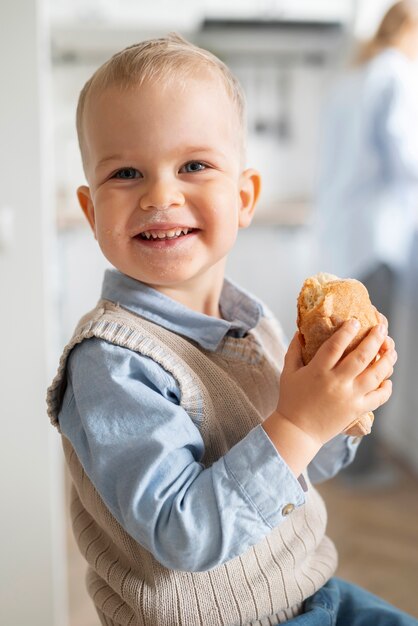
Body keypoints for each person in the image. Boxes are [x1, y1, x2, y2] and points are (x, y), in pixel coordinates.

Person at [46, 33, 413, 626]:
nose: (160, 194)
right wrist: (297, 422)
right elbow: (182, 533)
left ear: (244, 197)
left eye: (193, 165)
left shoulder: (254, 324)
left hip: (308, 593)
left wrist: (340, 408)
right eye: (127, 173)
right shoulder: (111, 365)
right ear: (92, 214)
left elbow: (308, 464)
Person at [314, 0, 418, 485]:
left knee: (350, 349)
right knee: (371, 355)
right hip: (377, 233)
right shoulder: (395, 72)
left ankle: (347, 459)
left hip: (348, 229)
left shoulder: (354, 77)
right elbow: (405, 153)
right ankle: (362, 467)